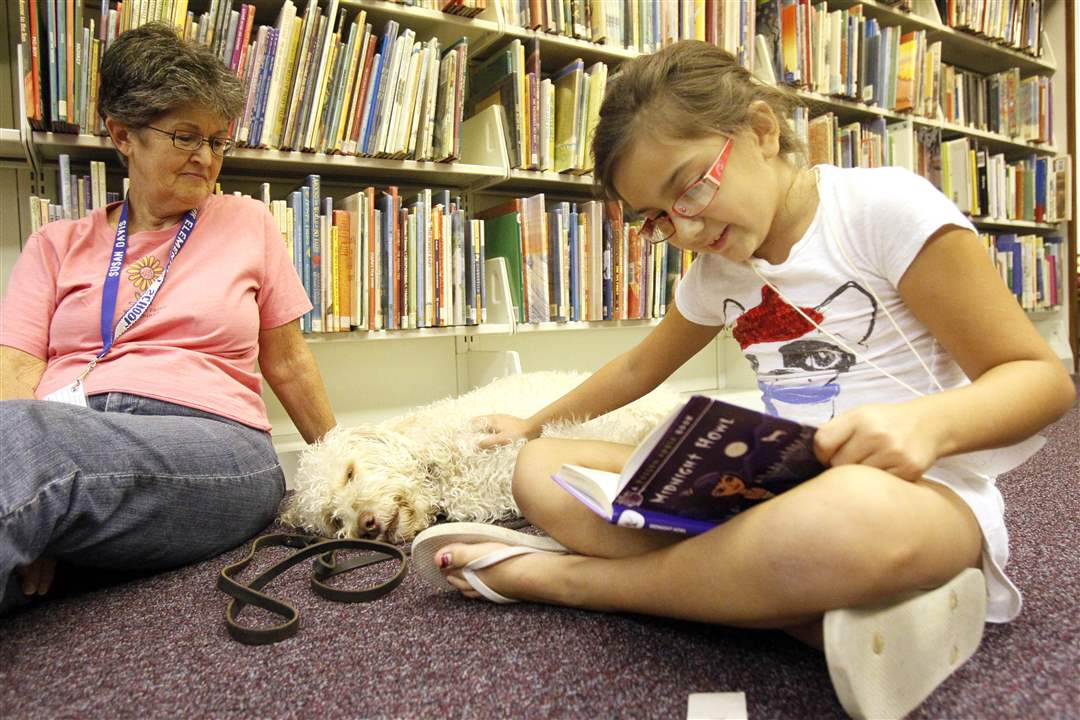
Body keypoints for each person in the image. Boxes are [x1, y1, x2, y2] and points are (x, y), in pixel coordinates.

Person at [410, 41, 1075, 718]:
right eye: (660, 219)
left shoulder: (884, 209)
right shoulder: (717, 273)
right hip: (772, 492)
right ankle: (806, 609)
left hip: (921, 499)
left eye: (691, 187)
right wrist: (530, 424)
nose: (689, 227)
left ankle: (581, 582)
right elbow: (641, 365)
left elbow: (1041, 381)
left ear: (761, 130)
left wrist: (926, 426)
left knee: (843, 518)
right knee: (542, 469)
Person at [0, 24, 336, 615]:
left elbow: (287, 361)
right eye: (185, 136)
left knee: (33, 445)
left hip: (216, 444)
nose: (206, 158)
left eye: (217, 140)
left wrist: (345, 468)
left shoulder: (248, 222)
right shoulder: (54, 244)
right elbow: (15, 371)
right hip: (67, 431)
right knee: (26, 439)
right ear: (123, 135)